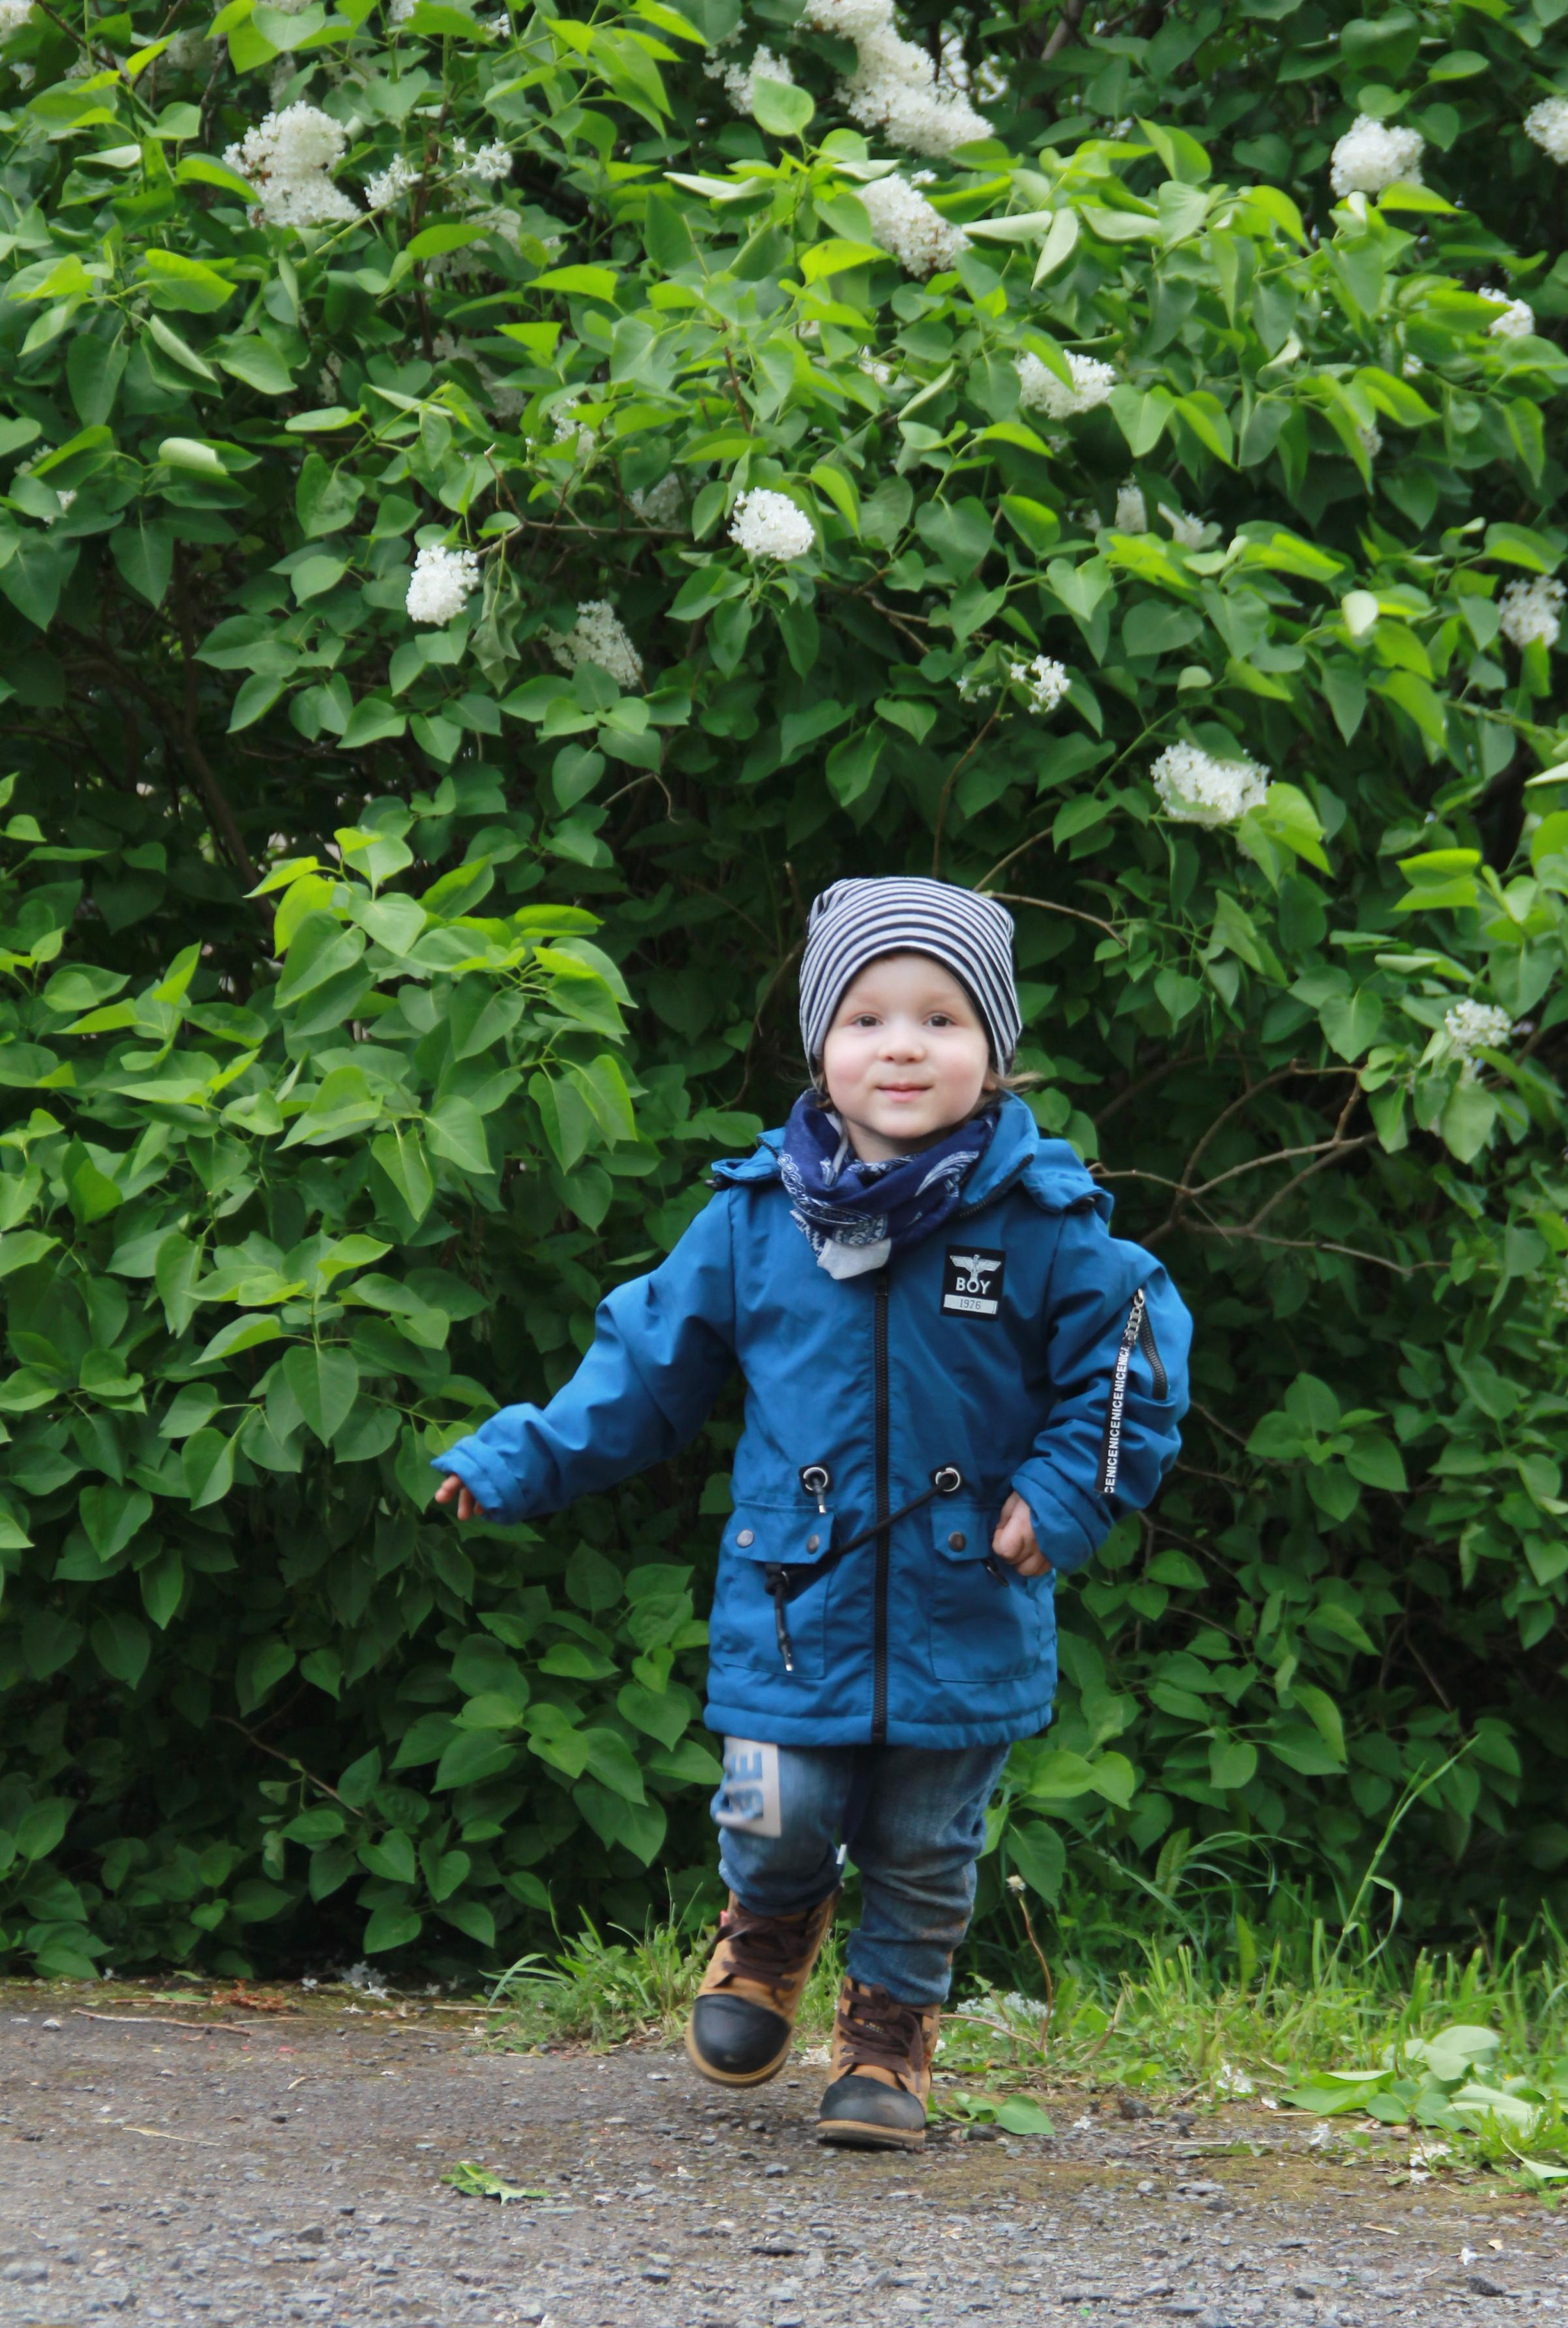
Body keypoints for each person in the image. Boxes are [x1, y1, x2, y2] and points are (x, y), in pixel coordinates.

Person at [431, 878, 1191, 2152]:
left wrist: (1063, 1494)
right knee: (775, 1807)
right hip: (798, 1595)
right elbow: (641, 1370)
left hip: (967, 1597)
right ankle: (768, 1929)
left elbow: (1130, 1362)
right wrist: (519, 1458)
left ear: (994, 1049)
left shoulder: (1047, 1225)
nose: (903, 1046)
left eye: (943, 1020)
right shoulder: (754, 1220)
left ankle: (889, 2042)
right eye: (867, 1019)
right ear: (820, 1048)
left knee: (926, 1842)